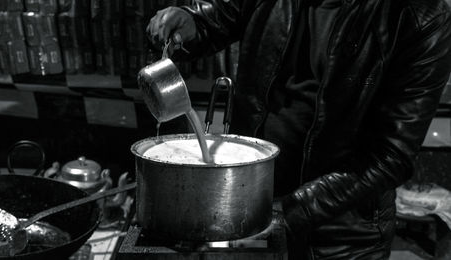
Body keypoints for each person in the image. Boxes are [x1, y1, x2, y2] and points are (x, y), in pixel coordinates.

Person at [146, 0, 451, 259]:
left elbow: (390, 156)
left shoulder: (420, 16)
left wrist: (287, 212)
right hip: (251, 199)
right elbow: (220, 16)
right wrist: (191, 20)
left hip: (342, 235)